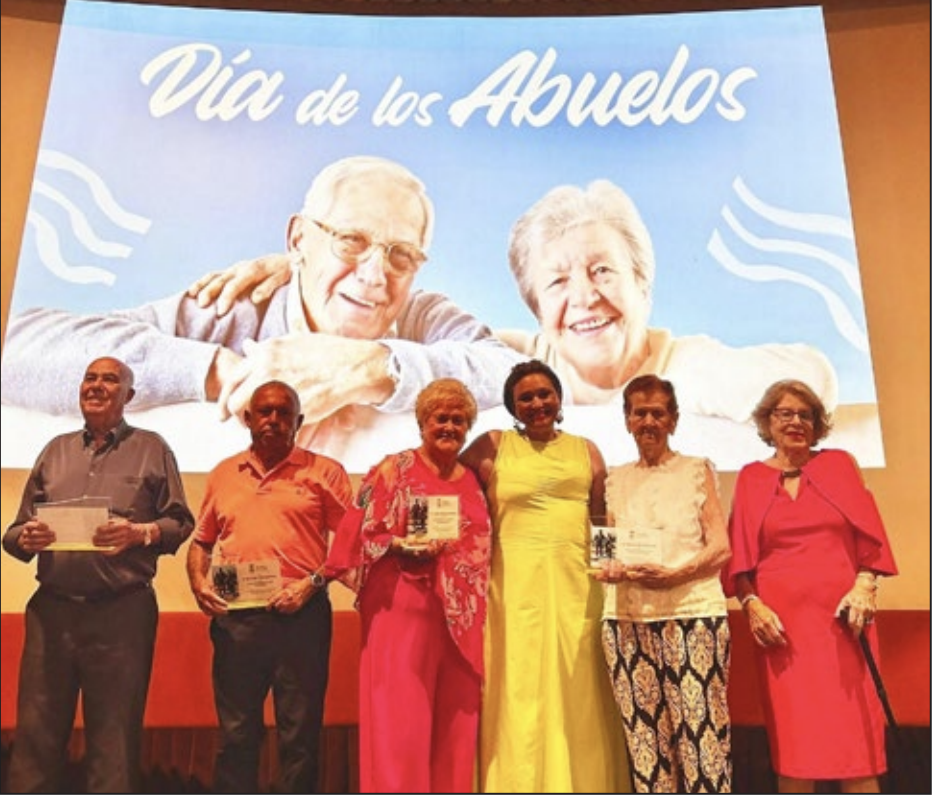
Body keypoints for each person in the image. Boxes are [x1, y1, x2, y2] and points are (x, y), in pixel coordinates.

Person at [184, 177, 839, 423]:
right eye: (556, 282)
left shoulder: (686, 362)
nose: (585, 297)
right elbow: (435, 346)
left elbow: (812, 377)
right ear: (534, 306)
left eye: (604, 271)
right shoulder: (515, 356)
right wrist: (301, 266)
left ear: (644, 281)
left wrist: (691, 385)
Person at [0, 155, 522, 462]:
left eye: (401, 254)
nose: (375, 273)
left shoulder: (421, 316)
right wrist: (220, 371)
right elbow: (17, 347)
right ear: (299, 237)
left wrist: (372, 367)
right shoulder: (230, 309)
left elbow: (508, 371)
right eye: (350, 240)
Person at [1, 356, 195, 793]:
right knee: (36, 735)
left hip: (122, 613)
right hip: (51, 612)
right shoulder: (54, 450)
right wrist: (25, 538)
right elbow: (13, 535)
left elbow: (179, 523)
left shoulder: (153, 447)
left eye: (110, 380)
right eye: (90, 378)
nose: (97, 386)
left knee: (114, 737)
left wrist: (139, 532)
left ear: (129, 395)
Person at [459, 359, 630, 793]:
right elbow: (449, 492)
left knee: (578, 686)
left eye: (544, 394)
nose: (537, 403)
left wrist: (609, 570)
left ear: (558, 397)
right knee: (516, 684)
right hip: (512, 584)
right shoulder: (491, 446)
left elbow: (599, 519)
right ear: (512, 407)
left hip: (578, 584)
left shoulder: (587, 450)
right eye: (525, 398)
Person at [722, 379, 898, 793]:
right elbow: (740, 561)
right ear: (768, 422)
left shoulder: (839, 465)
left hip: (845, 628)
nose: (796, 422)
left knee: (857, 749)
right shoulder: (749, 478)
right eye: (785, 413)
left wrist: (864, 586)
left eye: (806, 415)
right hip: (782, 635)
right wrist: (752, 606)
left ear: (818, 425)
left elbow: (871, 542)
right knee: (796, 751)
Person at [186, 379, 353, 793]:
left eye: (284, 413)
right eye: (265, 412)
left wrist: (311, 584)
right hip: (236, 620)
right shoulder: (224, 473)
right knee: (237, 734)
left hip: (302, 617)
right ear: (248, 418)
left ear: (299, 420)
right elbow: (202, 542)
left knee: (299, 736)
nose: (274, 420)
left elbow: (352, 542)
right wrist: (197, 583)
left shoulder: (325, 471)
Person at [324, 378, 492, 792]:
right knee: (400, 728)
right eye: (440, 418)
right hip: (401, 612)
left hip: (461, 622)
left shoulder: (473, 479)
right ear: (422, 422)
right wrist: (401, 544)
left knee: (457, 727)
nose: (449, 427)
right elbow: (357, 534)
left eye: (458, 419)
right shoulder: (392, 469)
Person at [593, 374, 733, 793]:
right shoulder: (614, 478)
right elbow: (606, 551)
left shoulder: (696, 469)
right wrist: (610, 569)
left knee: (700, 735)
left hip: (693, 615)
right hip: (626, 620)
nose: (649, 421)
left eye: (658, 412)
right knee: (644, 741)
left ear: (673, 419)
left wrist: (675, 575)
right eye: (640, 413)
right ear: (627, 420)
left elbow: (721, 548)